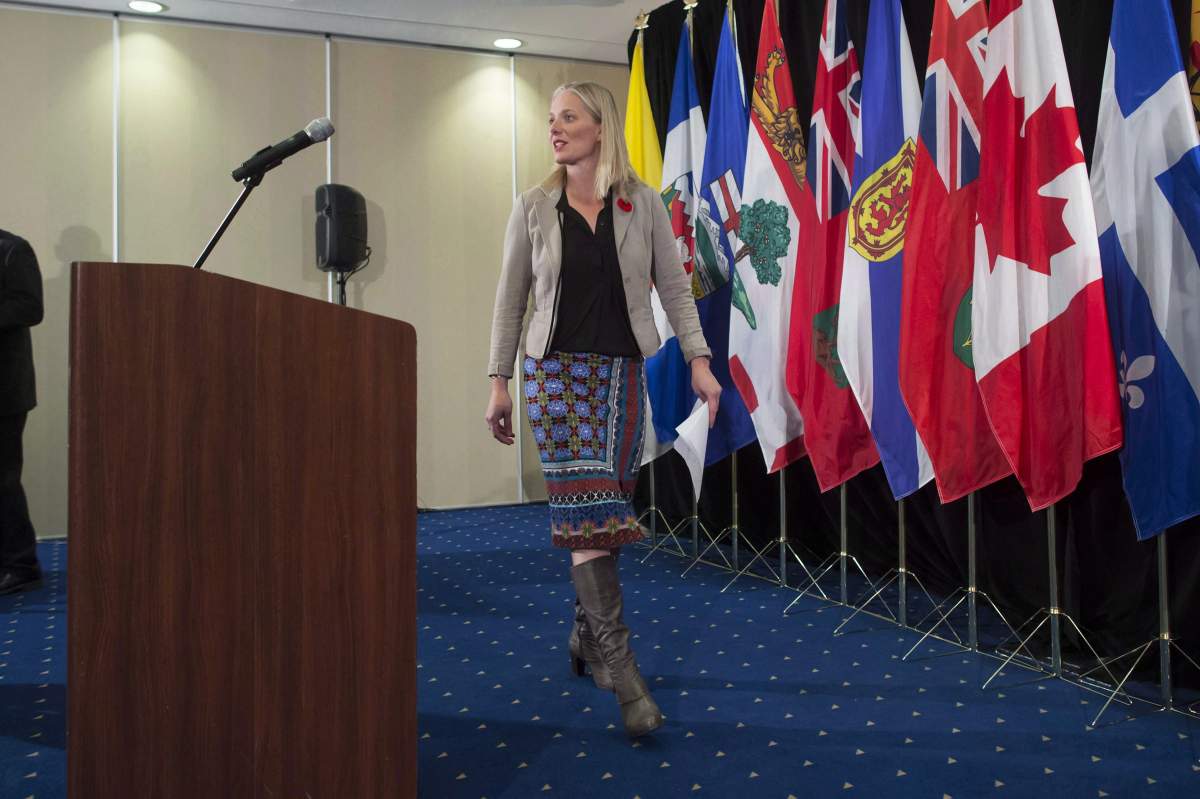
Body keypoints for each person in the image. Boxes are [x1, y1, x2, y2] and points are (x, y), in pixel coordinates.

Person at [485, 81, 720, 738]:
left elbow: (674, 291)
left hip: (622, 375)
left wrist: (699, 360)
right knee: (590, 515)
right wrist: (498, 379)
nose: (555, 129)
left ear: (599, 126)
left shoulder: (640, 203)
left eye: (568, 117)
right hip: (554, 374)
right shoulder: (533, 207)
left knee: (606, 514)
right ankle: (625, 671)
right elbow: (511, 300)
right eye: (551, 119)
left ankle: (585, 635)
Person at [0, 229, 44, 595]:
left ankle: (21, 564)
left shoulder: (13, 249)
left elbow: (30, 307)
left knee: (2, 479)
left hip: (4, 391)